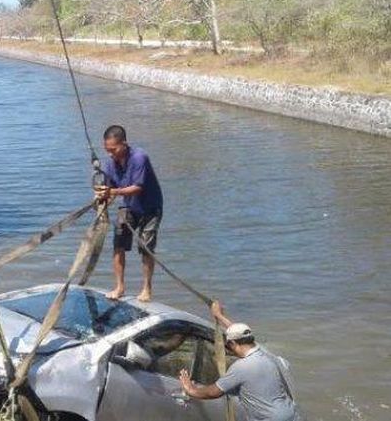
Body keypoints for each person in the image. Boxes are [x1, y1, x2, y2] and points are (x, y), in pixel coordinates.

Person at [179, 301, 301, 421]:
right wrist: (219, 315)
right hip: (291, 414)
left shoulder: (241, 367)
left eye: (228, 345)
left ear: (232, 343)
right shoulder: (266, 355)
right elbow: (237, 332)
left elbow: (213, 392)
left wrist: (191, 390)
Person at [94, 125, 163, 302]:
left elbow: (137, 188)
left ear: (124, 143)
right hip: (129, 206)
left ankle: (146, 288)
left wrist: (112, 193)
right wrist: (101, 198)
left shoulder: (140, 158)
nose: (110, 154)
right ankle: (119, 287)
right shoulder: (111, 163)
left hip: (150, 207)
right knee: (118, 243)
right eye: (107, 150)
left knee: (146, 248)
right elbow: (110, 188)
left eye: (113, 149)